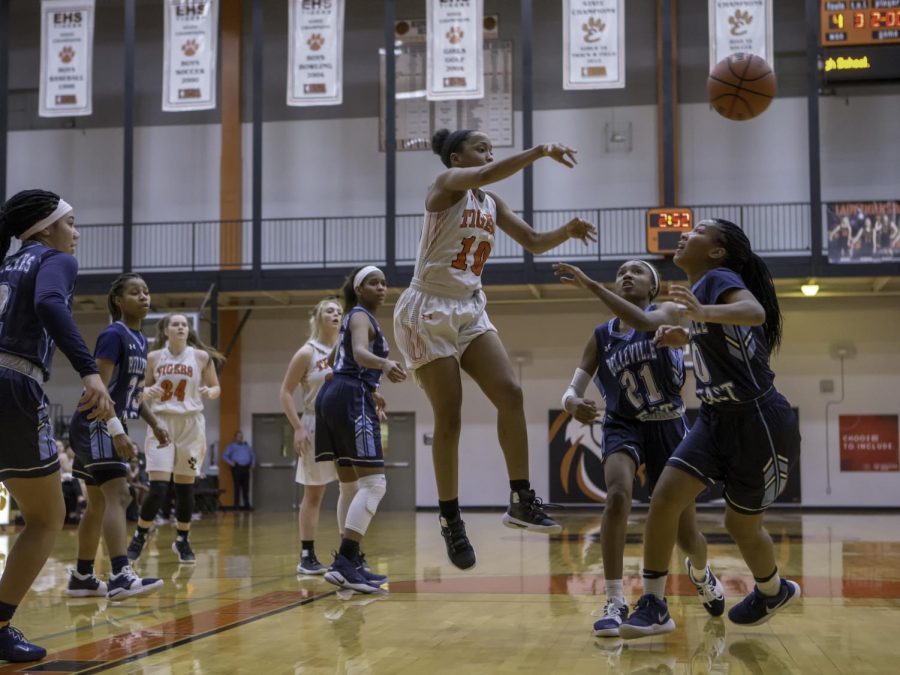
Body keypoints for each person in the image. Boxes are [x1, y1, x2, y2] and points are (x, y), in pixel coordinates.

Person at [392, 128, 597, 569]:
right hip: (427, 307)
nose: (488, 152)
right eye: (479, 146)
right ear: (455, 157)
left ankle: (520, 498)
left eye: (490, 146)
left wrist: (568, 230)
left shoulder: (491, 203)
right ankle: (450, 519)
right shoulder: (445, 185)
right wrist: (542, 149)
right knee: (451, 415)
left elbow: (535, 242)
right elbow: (488, 172)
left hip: (469, 306)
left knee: (511, 393)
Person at [618, 218, 802, 639]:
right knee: (664, 499)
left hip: (758, 419)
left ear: (717, 252)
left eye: (698, 230)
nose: (685, 235)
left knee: (741, 526)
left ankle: (772, 589)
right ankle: (654, 605)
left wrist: (700, 315)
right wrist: (686, 335)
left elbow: (753, 313)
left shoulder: (719, 278)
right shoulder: (696, 293)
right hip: (714, 418)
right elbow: (685, 325)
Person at [553, 260, 722, 637]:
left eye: (637, 271)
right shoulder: (602, 335)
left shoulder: (668, 314)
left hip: (668, 424)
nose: (627, 275)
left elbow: (669, 328)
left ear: (653, 287)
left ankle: (700, 570)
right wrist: (571, 404)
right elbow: (573, 388)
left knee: (685, 535)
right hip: (622, 423)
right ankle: (615, 599)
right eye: (621, 272)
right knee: (616, 497)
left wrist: (594, 287)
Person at [0, 189, 114, 662]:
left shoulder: (6, 267)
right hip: (12, 385)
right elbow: (50, 303)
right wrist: (89, 370)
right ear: (46, 229)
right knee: (46, 518)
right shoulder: (55, 261)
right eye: (71, 223)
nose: (77, 232)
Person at [66, 273, 169, 601]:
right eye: (135, 292)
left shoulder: (142, 340)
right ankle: (121, 574)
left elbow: (132, 396)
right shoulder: (113, 334)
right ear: (117, 301)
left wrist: (153, 423)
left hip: (105, 423)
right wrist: (118, 432)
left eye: (146, 292)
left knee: (97, 503)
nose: (143, 297)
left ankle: (83, 576)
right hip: (96, 422)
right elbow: (96, 389)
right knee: (119, 494)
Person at [316, 266, 406, 593]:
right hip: (349, 397)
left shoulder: (355, 318)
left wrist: (369, 387)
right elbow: (358, 353)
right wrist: (382, 365)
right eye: (373, 282)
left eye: (383, 283)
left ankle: (350, 563)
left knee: (350, 486)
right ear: (359, 288)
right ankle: (345, 560)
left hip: (339, 393)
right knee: (375, 483)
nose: (381, 288)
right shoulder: (360, 317)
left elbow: (336, 360)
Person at [126, 313, 223, 565]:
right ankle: (140, 535)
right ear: (165, 330)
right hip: (161, 425)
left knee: (185, 488)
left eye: (184, 324)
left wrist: (208, 391)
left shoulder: (201, 357)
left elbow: (216, 387)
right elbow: (138, 394)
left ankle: (182, 539)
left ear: (188, 329)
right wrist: (148, 391)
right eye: (175, 324)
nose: (181, 327)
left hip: (191, 426)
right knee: (158, 488)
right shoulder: (154, 357)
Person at [280, 297, 344, 574]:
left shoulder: (348, 350)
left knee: (352, 490)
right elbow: (284, 391)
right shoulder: (307, 352)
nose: (336, 314)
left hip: (346, 424)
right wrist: (297, 426)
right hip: (315, 422)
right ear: (318, 317)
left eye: (340, 311)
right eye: (330, 310)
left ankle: (348, 553)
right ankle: (307, 555)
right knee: (314, 494)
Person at [223, 431, 255, 510]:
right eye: (238, 436)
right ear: (235, 437)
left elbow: (253, 455)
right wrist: (231, 463)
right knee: (237, 487)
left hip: (246, 468)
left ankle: (246, 505)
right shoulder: (232, 446)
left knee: (246, 487)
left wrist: (253, 464)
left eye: (241, 436)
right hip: (237, 468)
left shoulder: (246, 446)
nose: (240, 438)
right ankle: (236, 505)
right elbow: (224, 456)